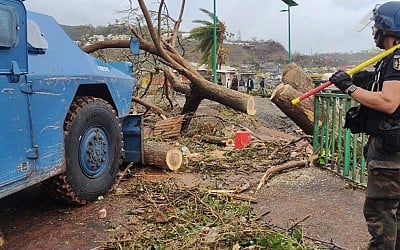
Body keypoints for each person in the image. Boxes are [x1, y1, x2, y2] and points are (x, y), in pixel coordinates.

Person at [329, 2, 400, 249]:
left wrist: (349, 88)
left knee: (380, 214)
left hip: (392, 157)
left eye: (376, 27)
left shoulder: (397, 60)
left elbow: (389, 102)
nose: (373, 32)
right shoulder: (390, 59)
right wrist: (364, 80)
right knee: (395, 216)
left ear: (389, 30)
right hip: (390, 153)